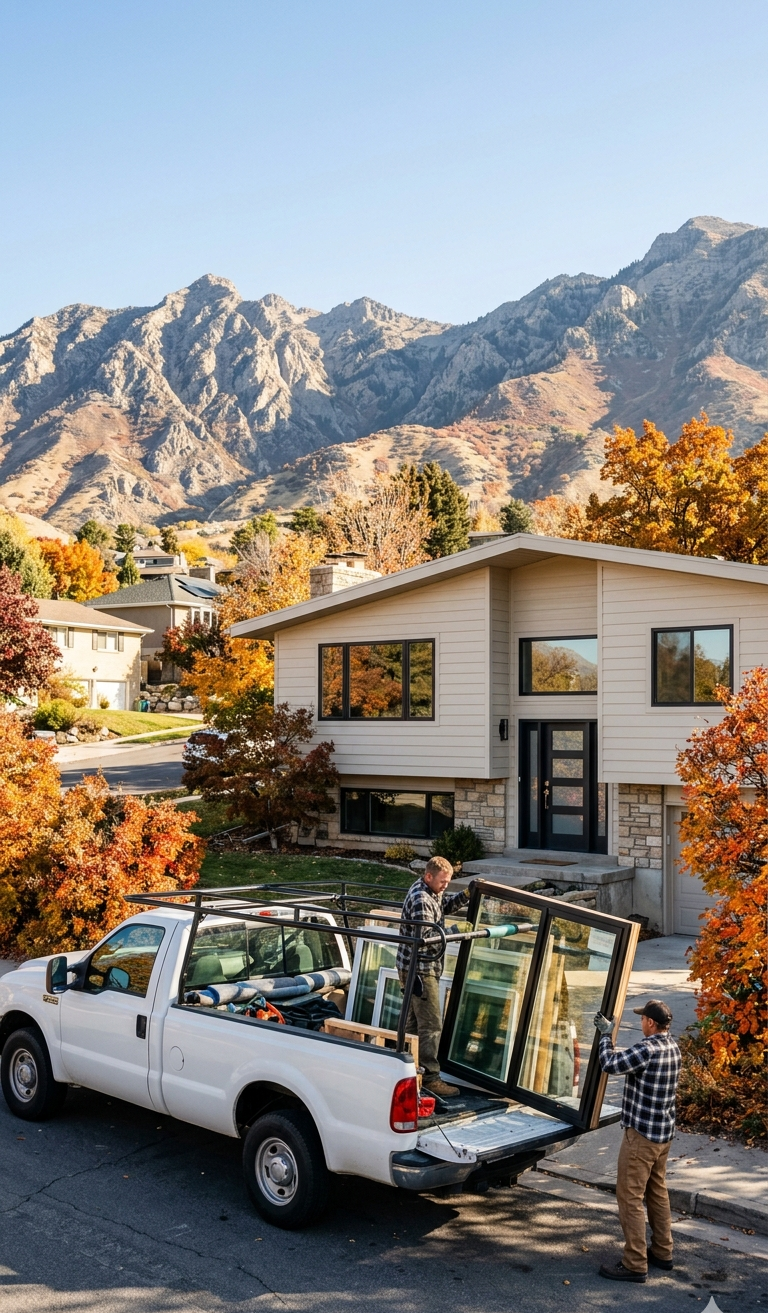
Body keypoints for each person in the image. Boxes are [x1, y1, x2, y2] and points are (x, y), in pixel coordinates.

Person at [593, 999, 681, 1284]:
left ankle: (634, 1263)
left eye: (643, 1018)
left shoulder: (647, 1049)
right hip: (663, 1136)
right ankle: (663, 1252)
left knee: (629, 1197)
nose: (641, 1022)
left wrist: (606, 1035)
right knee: (657, 1192)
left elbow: (609, 1063)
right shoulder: (673, 1047)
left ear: (651, 1023)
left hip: (641, 1137)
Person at [396, 855, 470, 1098]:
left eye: (449, 882)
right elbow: (428, 939)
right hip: (419, 969)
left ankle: (406, 1070)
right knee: (431, 1024)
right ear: (428, 876)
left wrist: (466, 895)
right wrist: (457, 931)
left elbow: (443, 907)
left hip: (417, 966)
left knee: (413, 1023)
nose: (445, 886)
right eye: (443, 882)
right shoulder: (420, 898)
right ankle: (430, 1078)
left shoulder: (431, 891)